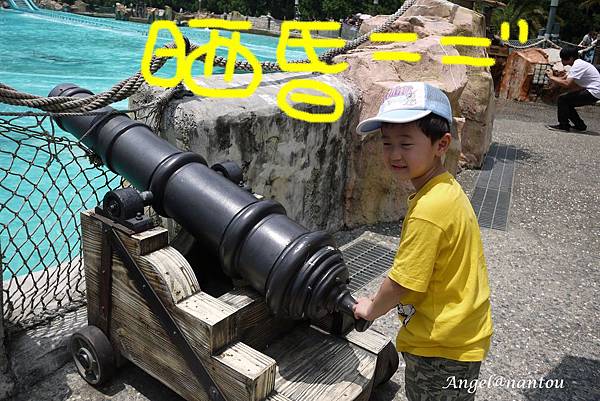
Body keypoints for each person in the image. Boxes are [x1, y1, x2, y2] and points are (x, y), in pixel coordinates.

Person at [353, 82, 493, 401]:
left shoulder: (429, 209)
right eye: (387, 143)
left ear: (441, 144)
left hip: (440, 348)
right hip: (459, 336)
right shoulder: (445, 189)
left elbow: (402, 282)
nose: (394, 154)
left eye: (406, 143)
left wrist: (371, 308)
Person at [545, 47, 600, 132]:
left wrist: (551, 77)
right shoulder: (577, 64)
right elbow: (563, 78)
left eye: (563, 58)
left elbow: (567, 83)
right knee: (567, 102)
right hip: (594, 91)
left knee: (563, 99)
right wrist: (552, 80)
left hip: (594, 91)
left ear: (570, 58)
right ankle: (580, 126)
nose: (561, 61)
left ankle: (563, 126)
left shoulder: (578, 65)